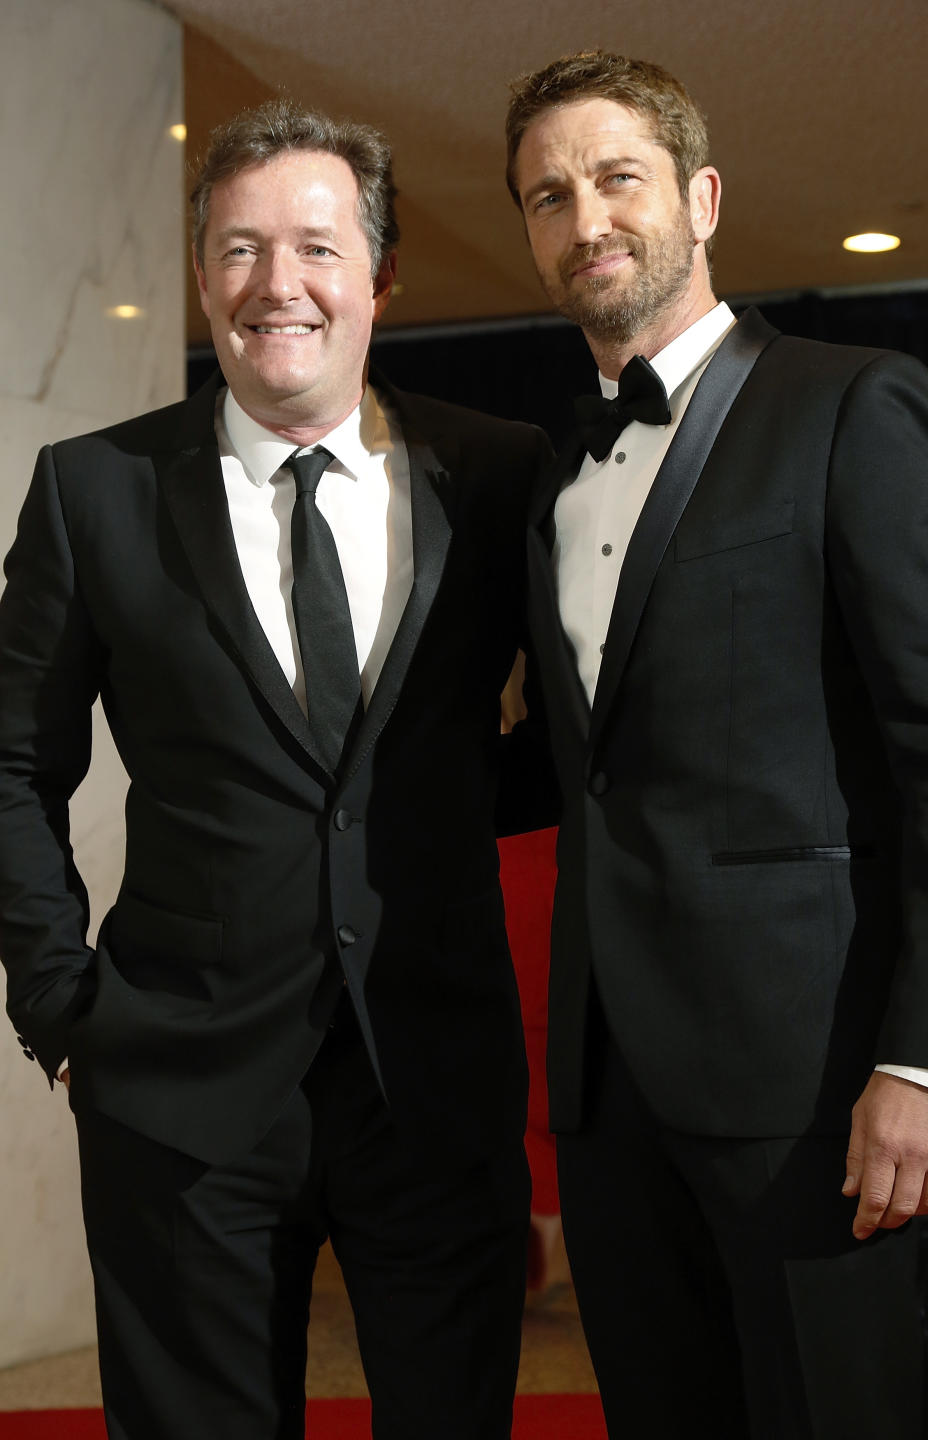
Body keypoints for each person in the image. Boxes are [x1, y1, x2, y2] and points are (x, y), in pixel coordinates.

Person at [0, 99, 551, 1440]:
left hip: (434, 1082)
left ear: (382, 273)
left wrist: (443, 815)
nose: (276, 284)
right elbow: (13, 759)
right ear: (202, 278)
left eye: (314, 244)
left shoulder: (498, 475)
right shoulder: (94, 490)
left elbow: (584, 741)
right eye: (239, 249)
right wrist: (64, 1012)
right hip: (177, 1095)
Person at [505, 49, 928, 1440]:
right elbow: (577, 766)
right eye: (548, 194)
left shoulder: (854, 402)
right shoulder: (551, 474)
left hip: (818, 1089)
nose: (587, 217)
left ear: (701, 197)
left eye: (618, 177)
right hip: (607, 1097)